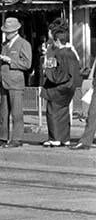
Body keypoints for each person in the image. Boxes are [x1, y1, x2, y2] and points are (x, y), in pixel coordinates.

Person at [0, 17, 32, 148]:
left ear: (16, 31)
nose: (6, 33)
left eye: (8, 31)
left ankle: (17, 139)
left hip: (16, 82)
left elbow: (27, 64)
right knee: (4, 112)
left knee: (16, 112)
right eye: (5, 31)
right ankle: (2, 137)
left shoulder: (24, 44)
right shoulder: (5, 45)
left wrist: (10, 60)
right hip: (4, 81)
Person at [40, 19, 80, 147]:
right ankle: (65, 138)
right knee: (64, 112)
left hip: (57, 87)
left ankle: (55, 138)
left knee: (52, 112)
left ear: (56, 40)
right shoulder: (71, 52)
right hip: (70, 87)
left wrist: (46, 67)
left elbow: (53, 74)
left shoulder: (57, 53)